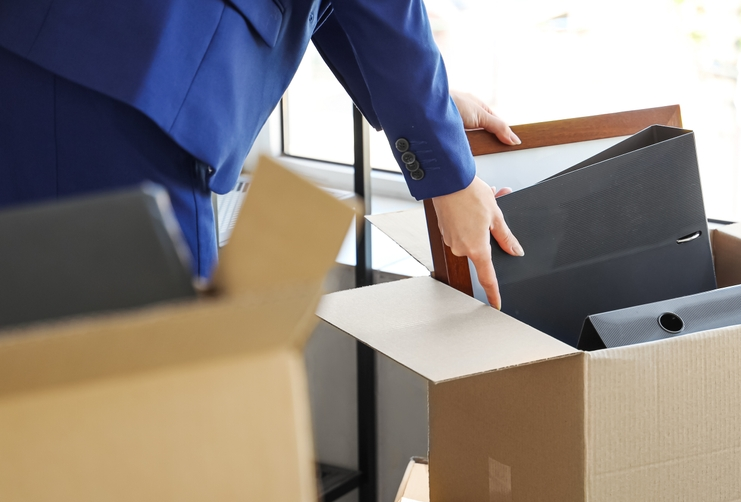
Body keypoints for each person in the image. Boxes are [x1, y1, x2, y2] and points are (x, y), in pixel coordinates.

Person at [0, 0, 520, 308]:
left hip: (42, 49)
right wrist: (451, 177)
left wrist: (435, 113)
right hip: (131, 83)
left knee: (38, 368)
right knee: (161, 382)